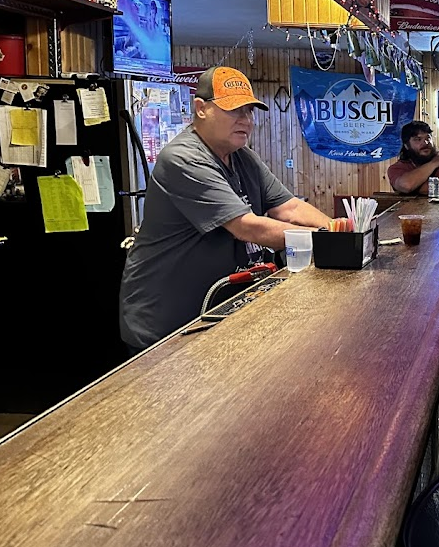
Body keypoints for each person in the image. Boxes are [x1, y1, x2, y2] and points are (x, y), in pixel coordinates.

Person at [119, 66, 338, 351]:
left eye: (249, 111)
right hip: (165, 323)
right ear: (201, 108)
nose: (245, 120)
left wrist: (338, 231)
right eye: (234, 110)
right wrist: (329, 240)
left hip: (216, 312)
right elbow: (246, 227)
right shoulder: (183, 158)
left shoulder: (243, 157)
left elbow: (290, 207)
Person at [387, 120, 439, 195]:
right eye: (418, 139)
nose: (426, 143)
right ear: (407, 145)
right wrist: (433, 163)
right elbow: (406, 185)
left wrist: (412, 187)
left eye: (428, 138)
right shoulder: (397, 168)